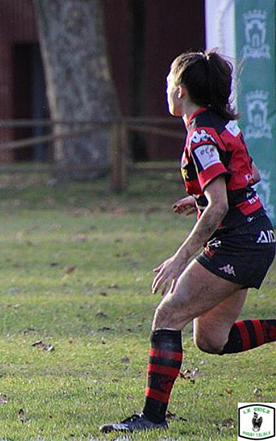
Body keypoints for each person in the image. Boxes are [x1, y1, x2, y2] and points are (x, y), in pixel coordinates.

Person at [100, 50, 276, 433]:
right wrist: (199, 197)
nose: (165, 88)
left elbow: (217, 209)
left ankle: (151, 418)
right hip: (255, 235)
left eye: (167, 81)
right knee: (213, 340)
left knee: (167, 316)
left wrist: (180, 259)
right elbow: (251, 174)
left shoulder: (200, 135)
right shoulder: (222, 126)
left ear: (179, 91)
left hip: (238, 241)